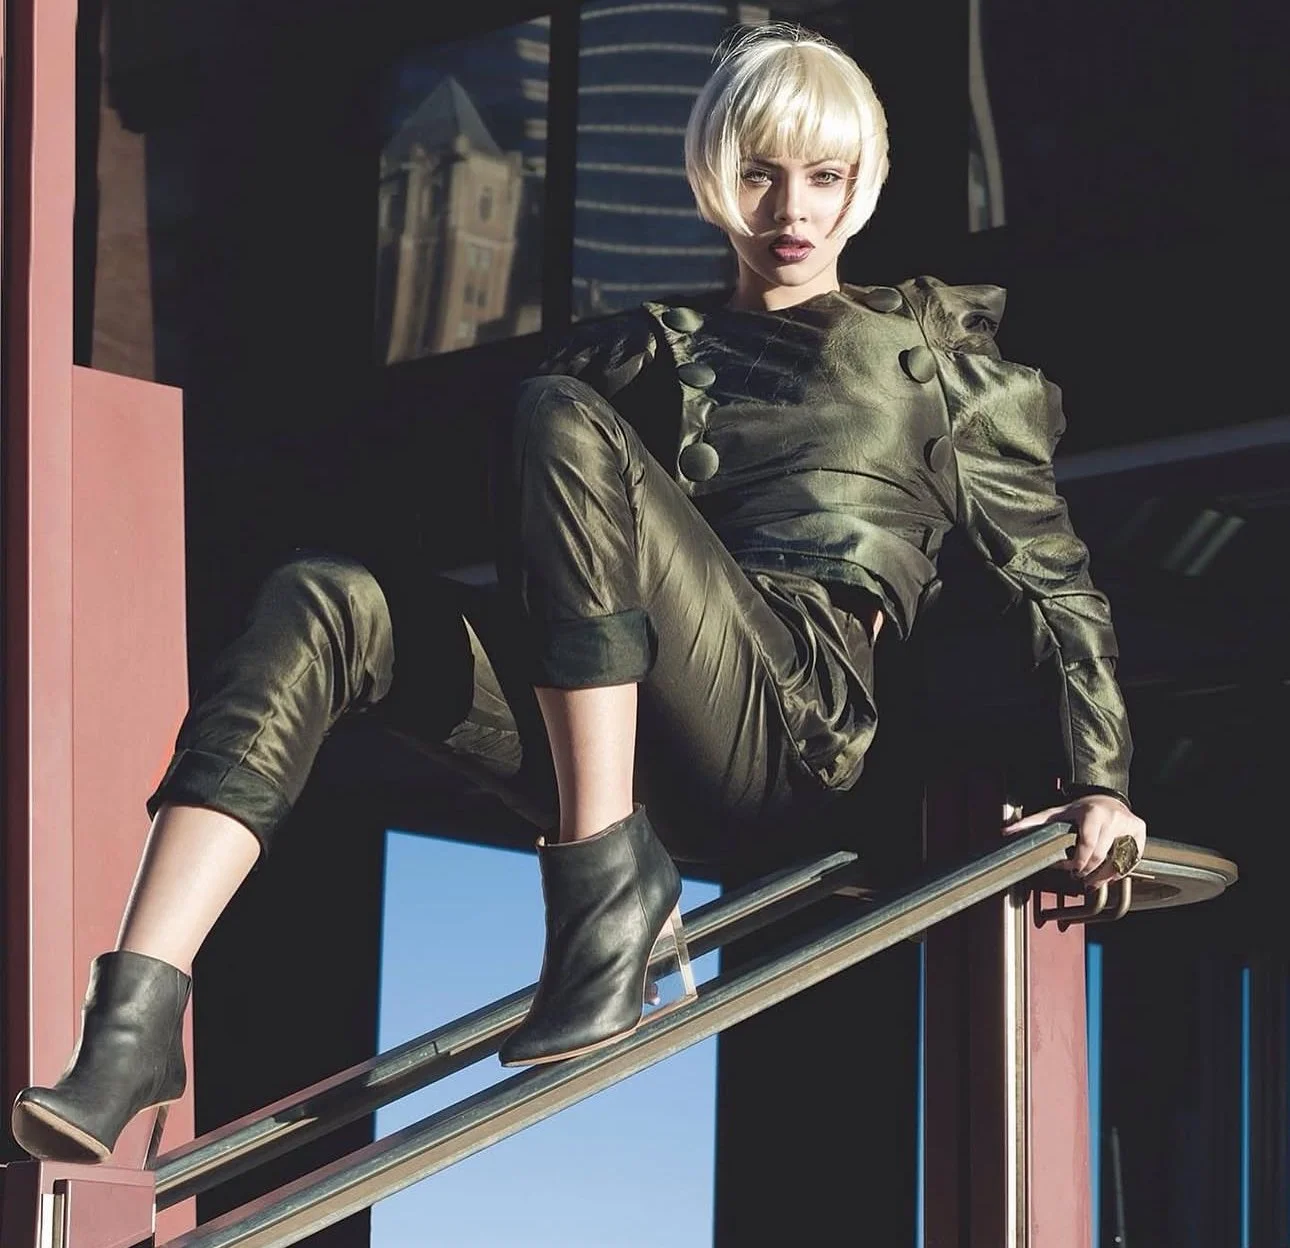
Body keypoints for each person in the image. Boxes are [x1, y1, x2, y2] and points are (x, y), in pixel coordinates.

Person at [11, 23, 1145, 1164]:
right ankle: (134, 1019)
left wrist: (1099, 780)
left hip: (790, 726)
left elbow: (1054, 583)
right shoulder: (639, 355)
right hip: (626, 737)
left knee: (555, 412)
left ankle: (604, 892)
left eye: (825, 176)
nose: (791, 210)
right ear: (713, 176)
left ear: (866, 182)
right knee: (325, 600)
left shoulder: (930, 360)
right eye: (760, 174)